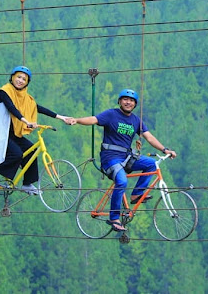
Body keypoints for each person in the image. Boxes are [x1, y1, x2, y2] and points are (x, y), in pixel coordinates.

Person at [73, 88, 176, 232]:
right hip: (110, 158)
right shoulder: (111, 114)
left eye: (132, 101)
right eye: (125, 99)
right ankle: (114, 217)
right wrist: (76, 120)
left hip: (127, 158)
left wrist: (165, 150)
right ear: (120, 101)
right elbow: (93, 119)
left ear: (135, 104)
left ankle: (136, 194)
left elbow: (149, 137)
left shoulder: (136, 120)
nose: (128, 102)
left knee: (152, 164)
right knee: (122, 181)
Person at [0, 65, 74, 194]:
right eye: (18, 77)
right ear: (12, 77)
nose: (20, 80)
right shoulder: (4, 91)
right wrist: (26, 121)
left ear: (27, 83)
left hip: (13, 133)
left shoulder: (25, 97)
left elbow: (37, 108)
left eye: (24, 79)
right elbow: (12, 108)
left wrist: (61, 117)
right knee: (16, 154)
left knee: (31, 150)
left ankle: (27, 183)